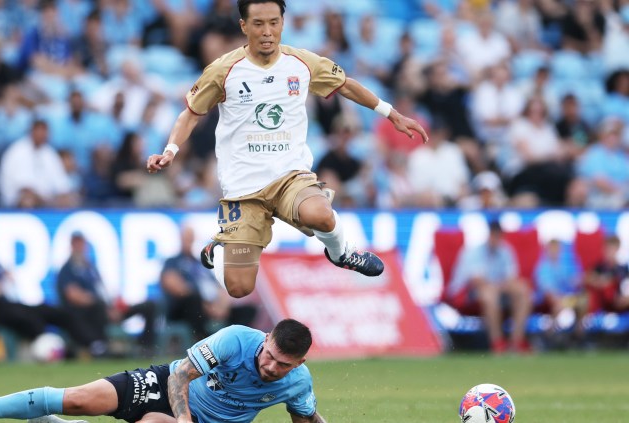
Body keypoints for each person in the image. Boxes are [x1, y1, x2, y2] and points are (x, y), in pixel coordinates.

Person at [146, 0, 427, 299]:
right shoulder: (223, 70)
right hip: (243, 189)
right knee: (239, 288)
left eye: (274, 22)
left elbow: (346, 84)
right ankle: (217, 252)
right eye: (258, 24)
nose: (267, 31)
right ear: (244, 26)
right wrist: (171, 150)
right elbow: (190, 113)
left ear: (282, 23)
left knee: (320, 214)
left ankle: (341, 253)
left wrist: (391, 113)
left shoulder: (302, 63)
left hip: (289, 177)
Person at [0, 319, 326, 423]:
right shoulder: (236, 339)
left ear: (300, 364)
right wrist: (184, 419)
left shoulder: (298, 384)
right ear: (266, 338)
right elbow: (181, 376)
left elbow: (307, 419)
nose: (270, 366)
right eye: (269, 355)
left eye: (283, 364)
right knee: (78, 399)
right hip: (168, 385)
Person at [0, 225, 101, 360]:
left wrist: (0, 281)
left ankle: (94, 345)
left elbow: (8, 282)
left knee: (50, 311)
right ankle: (61, 351)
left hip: (8, 305)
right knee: (26, 318)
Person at [57, 231, 157, 352]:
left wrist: (114, 305)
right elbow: (73, 295)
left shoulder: (90, 268)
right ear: (72, 246)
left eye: (82, 244)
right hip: (90, 314)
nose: (80, 247)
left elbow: (102, 290)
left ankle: (145, 346)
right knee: (97, 307)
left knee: (149, 306)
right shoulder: (67, 270)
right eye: (77, 244)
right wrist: (104, 307)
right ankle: (102, 347)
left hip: (107, 309)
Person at [447, 220, 533, 354]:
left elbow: (511, 279)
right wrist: (501, 286)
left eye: (499, 236)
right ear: (489, 235)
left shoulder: (505, 251)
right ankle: (497, 342)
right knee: (489, 295)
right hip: (465, 293)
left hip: (497, 291)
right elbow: (477, 281)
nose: (496, 239)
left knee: (522, 291)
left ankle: (517, 341)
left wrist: (503, 286)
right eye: (494, 235)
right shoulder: (474, 252)